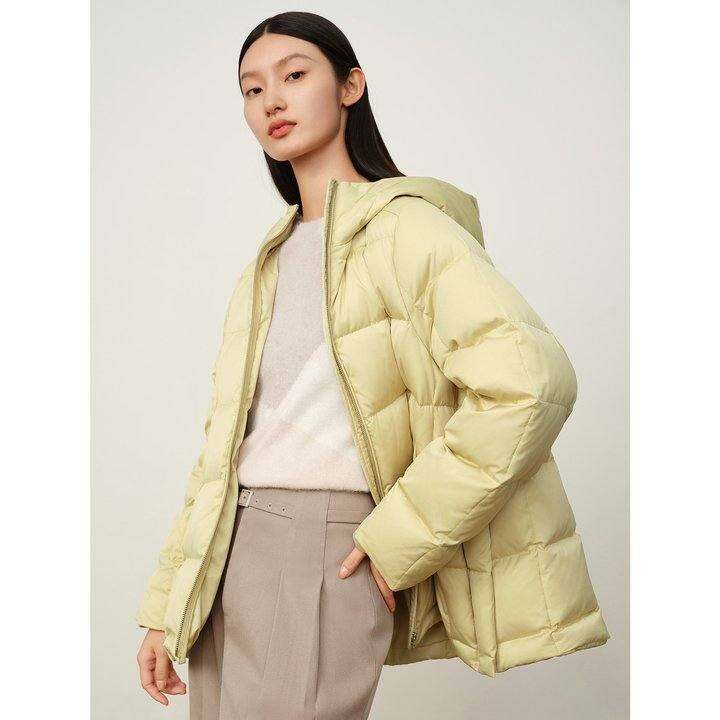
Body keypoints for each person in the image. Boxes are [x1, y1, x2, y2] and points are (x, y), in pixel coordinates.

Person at [135, 10, 610, 719]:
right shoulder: (271, 257)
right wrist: (168, 604)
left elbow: (531, 384)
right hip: (229, 546)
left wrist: (399, 539)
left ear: (350, 86)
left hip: (321, 543)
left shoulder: (406, 228)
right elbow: (224, 449)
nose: (272, 101)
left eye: (295, 75)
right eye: (252, 89)